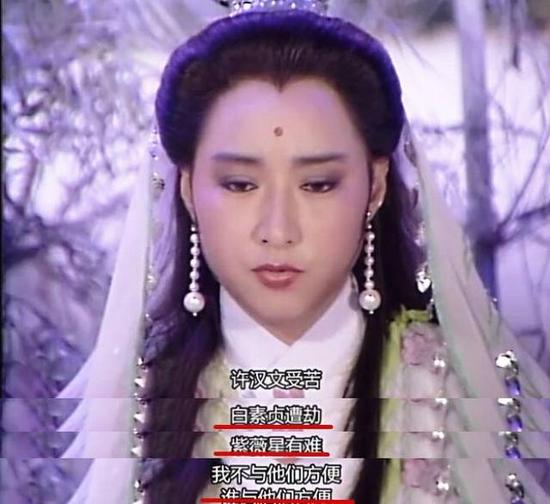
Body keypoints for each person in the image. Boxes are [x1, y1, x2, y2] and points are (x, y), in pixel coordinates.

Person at [57, 3, 550, 504]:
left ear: (376, 185)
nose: (278, 230)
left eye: (317, 184)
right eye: (240, 184)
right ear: (187, 189)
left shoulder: (443, 395)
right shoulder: (148, 400)